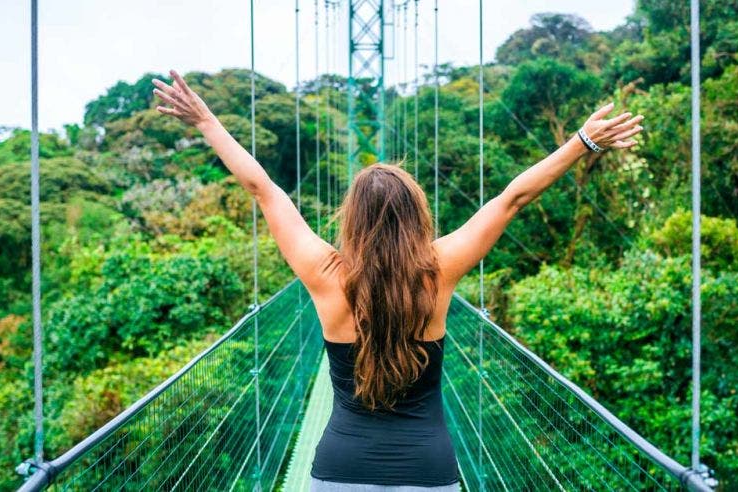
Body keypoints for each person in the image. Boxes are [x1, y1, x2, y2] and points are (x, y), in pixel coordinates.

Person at [153, 69, 643, 491]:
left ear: (353, 220)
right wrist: (582, 142)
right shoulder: (440, 269)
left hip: (338, 469)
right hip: (428, 470)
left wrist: (206, 121)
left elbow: (264, 190)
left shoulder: (325, 274)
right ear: (417, 214)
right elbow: (511, 199)